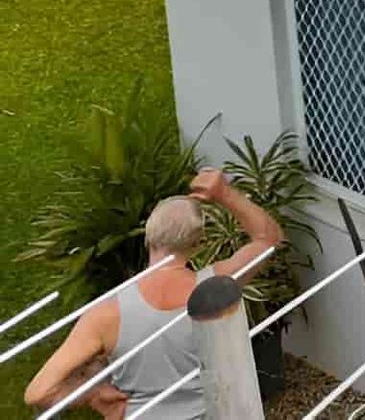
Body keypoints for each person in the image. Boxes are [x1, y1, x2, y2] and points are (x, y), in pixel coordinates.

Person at [24, 169, 283, 420]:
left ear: (148, 237)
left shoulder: (106, 314)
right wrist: (224, 193)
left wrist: (94, 395)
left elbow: (38, 392)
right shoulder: (216, 288)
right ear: (197, 244)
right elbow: (269, 239)